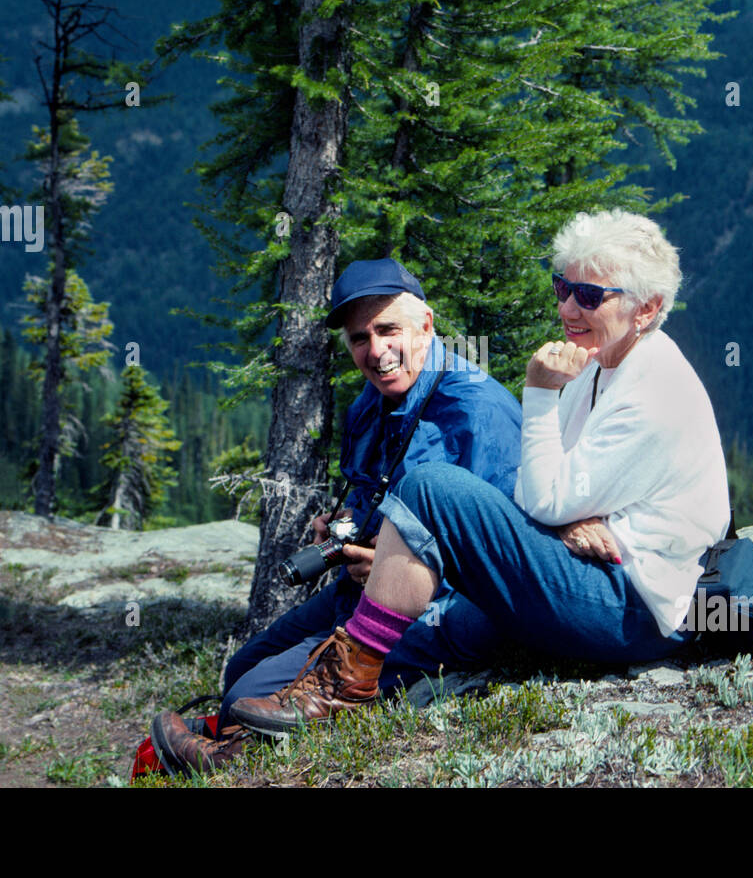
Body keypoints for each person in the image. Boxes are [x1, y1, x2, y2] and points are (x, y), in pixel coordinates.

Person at [228, 209, 732, 735]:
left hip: (638, 606)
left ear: (646, 309)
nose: (566, 307)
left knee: (429, 490)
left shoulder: (651, 390)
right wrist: (565, 519)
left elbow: (541, 498)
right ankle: (249, 735)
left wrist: (538, 393)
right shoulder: (602, 366)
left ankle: (338, 690)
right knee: (251, 674)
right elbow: (539, 487)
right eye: (562, 287)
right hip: (597, 574)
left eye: (588, 295)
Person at [147, 258, 523, 776]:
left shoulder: (477, 411)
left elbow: (499, 555)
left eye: (388, 329)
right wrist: (347, 526)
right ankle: (241, 740)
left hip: (434, 607)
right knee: (241, 670)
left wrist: (398, 568)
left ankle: (231, 762)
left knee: (251, 697)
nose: (375, 351)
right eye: (359, 338)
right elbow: (372, 493)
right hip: (356, 591)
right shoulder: (370, 404)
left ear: (426, 325)